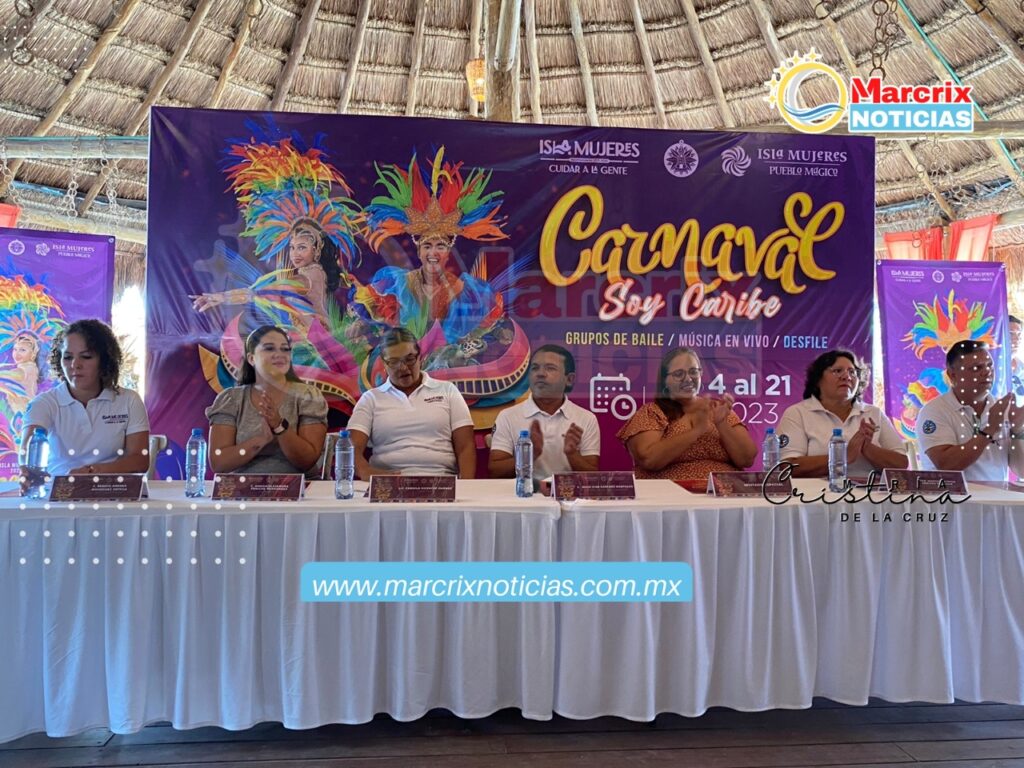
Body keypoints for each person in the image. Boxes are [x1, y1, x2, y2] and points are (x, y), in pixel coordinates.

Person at [351, 147, 508, 348]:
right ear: (419, 251)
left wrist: (495, 334)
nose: (433, 252)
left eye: (440, 246)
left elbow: (488, 323)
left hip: (445, 365)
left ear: (448, 252)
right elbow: (366, 310)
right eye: (427, 246)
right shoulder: (397, 284)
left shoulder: (465, 291)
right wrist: (359, 326)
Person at [21, 319, 149, 478]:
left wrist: (92, 472)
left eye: (86, 356)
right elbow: (26, 452)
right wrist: (26, 472)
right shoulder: (44, 403)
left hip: (112, 488)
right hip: (58, 489)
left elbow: (140, 460)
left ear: (105, 361)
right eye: (68, 357)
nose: (75, 364)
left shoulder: (129, 400)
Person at [348, 326, 476, 478]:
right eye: (394, 362)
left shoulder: (447, 391)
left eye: (409, 359)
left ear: (419, 357)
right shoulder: (371, 399)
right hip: (387, 482)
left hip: (440, 480)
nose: (403, 368)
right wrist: (367, 472)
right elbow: (352, 448)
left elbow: (466, 447)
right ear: (384, 363)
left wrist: (466, 486)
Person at [617, 348, 757, 480]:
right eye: (679, 374)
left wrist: (721, 424)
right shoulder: (653, 412)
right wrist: (696, 431)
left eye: (693, 372)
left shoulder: (717, 408)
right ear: (664, 380)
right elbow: (649, 460)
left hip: (723, 492)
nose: (688, 379)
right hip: (669, 494)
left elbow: (746, 460)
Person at [206, 324, 328, 476]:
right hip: (243, 488)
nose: (280, 354)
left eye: (285, 349)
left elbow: (307, 461)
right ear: (251, 358)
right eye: (269, 348)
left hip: (298, 488)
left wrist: (279, 427)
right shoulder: (231, 399)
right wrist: (260, 441)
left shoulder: (307, 396)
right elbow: (219, 463)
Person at [191, 218, 343, 329]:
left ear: (316, 251)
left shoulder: (304, 278)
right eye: (292, 247)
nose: (295, 254)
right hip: (321, 338)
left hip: (319, 344)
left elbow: (257, 293)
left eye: (302, 247)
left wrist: (223, 297)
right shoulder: (317, 272)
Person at [777, 349, 907, 477]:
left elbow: (901, 464)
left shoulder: (873, 413)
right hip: (816, 491)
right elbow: (787, 467)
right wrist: (842, 457)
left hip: (871, 490)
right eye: (837, 371)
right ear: (817, 379)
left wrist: (868, 448)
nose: (847, 377)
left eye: (852, 372)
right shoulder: (797, 413)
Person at [917, 339, 1024, 482]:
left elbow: (1021, 471)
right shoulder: (934, 411)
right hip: (951, 495)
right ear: (952, 375)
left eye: (989, 365)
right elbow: (946, 465)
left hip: (997, 495)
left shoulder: (1002, 408)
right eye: (976, 368)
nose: (986, 372)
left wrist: (1017, 430)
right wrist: (990, 429)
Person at [489, 344, 600, 478]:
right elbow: (495, 471)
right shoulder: (508, 416)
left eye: (550, 368)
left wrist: (572, 455)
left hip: (567, 491)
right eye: (535, 368)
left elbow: (593, 476)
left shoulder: (586, 418)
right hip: (524, 491)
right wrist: (530, 455)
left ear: (569, 379)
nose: (540, 374)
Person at [4, 331, 42, 413]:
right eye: (15, 349)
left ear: (33, 354)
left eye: (22, 350)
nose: (17, 354)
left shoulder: (28, 369)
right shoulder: (29, 367)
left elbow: (15, 375)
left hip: (26, 413)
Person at [1010, 315, 1022, 397]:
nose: (1017, 339)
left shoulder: (1021, 366)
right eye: (1011, 334)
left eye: (1019, 334)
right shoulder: (990, 367)